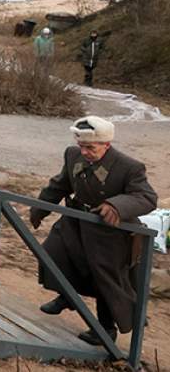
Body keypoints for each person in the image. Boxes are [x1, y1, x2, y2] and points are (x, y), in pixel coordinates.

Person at [29, 116, 157, 345]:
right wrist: (40, 209)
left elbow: (147, 197)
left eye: (91, 148)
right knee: (54, 253)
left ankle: (105, 330)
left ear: (106, 145)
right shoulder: (72, 155)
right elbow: (61, 183)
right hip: (76, 222)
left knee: (103, 278)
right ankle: (67, 296)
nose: (85, 152)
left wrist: (116, 205)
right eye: (82, 146)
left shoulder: (129, 167)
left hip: (110, 233)